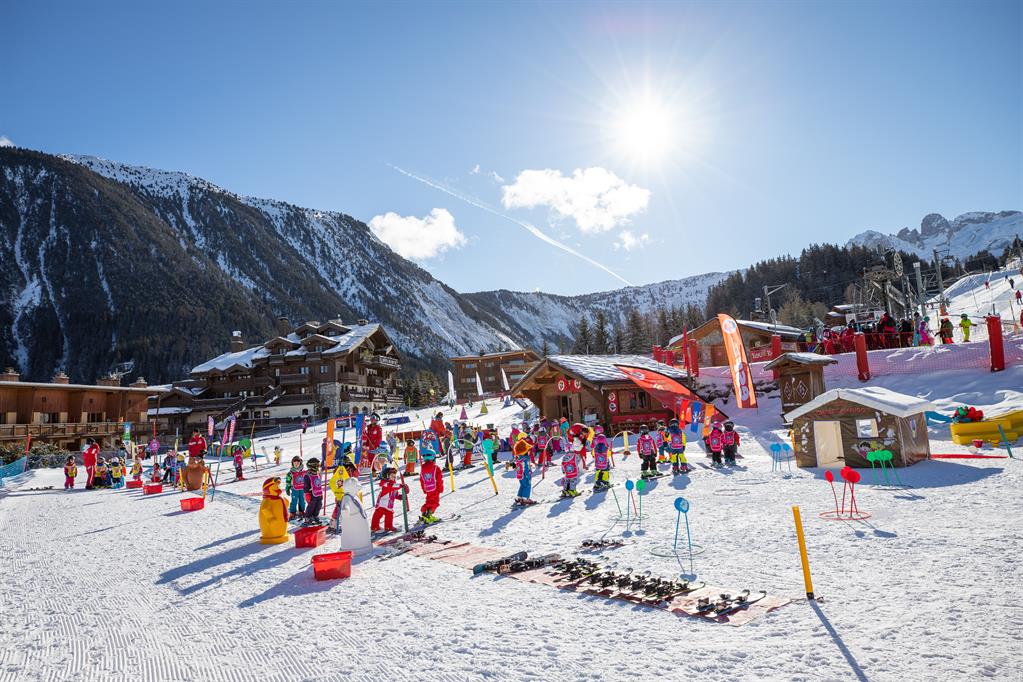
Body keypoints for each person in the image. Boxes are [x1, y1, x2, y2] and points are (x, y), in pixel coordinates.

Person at [371, 466, 407, 533]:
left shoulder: (393, 485)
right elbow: (392, 487)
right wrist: (401, 486)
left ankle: (383, 526)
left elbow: (395, 494)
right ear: (387, 477)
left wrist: (400, 497)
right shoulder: (385, 484)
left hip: (388, 504)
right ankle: (377, 526)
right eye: (392, 476)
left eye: (394, 476)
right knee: (380, 514)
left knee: (387, 514)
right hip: (383, 503)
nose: (394, 477)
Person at [418, 449, 444, 524]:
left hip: (428, 489)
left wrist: (424, 489)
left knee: (429, 501)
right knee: (435, 502)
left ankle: (424, 514)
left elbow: (422, 479)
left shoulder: (422, 468)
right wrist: (441, 488)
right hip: (435, 488)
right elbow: (439, 479)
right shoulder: (436, 468)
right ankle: (429, 516)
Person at [512, 437, 536, 505]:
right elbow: (526, 469)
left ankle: (519, 497)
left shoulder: (519, 458)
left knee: (522, 485)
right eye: (528, 450)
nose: (529, 452)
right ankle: (525, 498)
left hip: (520, 476)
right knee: (527, 485)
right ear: (525, 452)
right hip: (525, 475)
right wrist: (528, 475)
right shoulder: (526, 459)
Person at [591, 426, 612, 491]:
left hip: (597, 464)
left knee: (598, 472)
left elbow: (594, 454)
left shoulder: (595, 448)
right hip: (605, 463)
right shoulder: (606, 448)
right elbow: (609, 454)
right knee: (605, 472)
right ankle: (605, 482)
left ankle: (597, 483)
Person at [303, 458, 323, 524]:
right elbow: (306, 485)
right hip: (311, 493)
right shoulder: (307, 475)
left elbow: (319, 483)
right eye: (317, 465)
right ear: (313, 466)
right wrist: (307, 493)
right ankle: (308, 517)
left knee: (319, 505)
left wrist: (321, 492)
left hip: (318, 493)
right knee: (312, 505)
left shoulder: (318, 473)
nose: (318, 467)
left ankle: (315, 515)